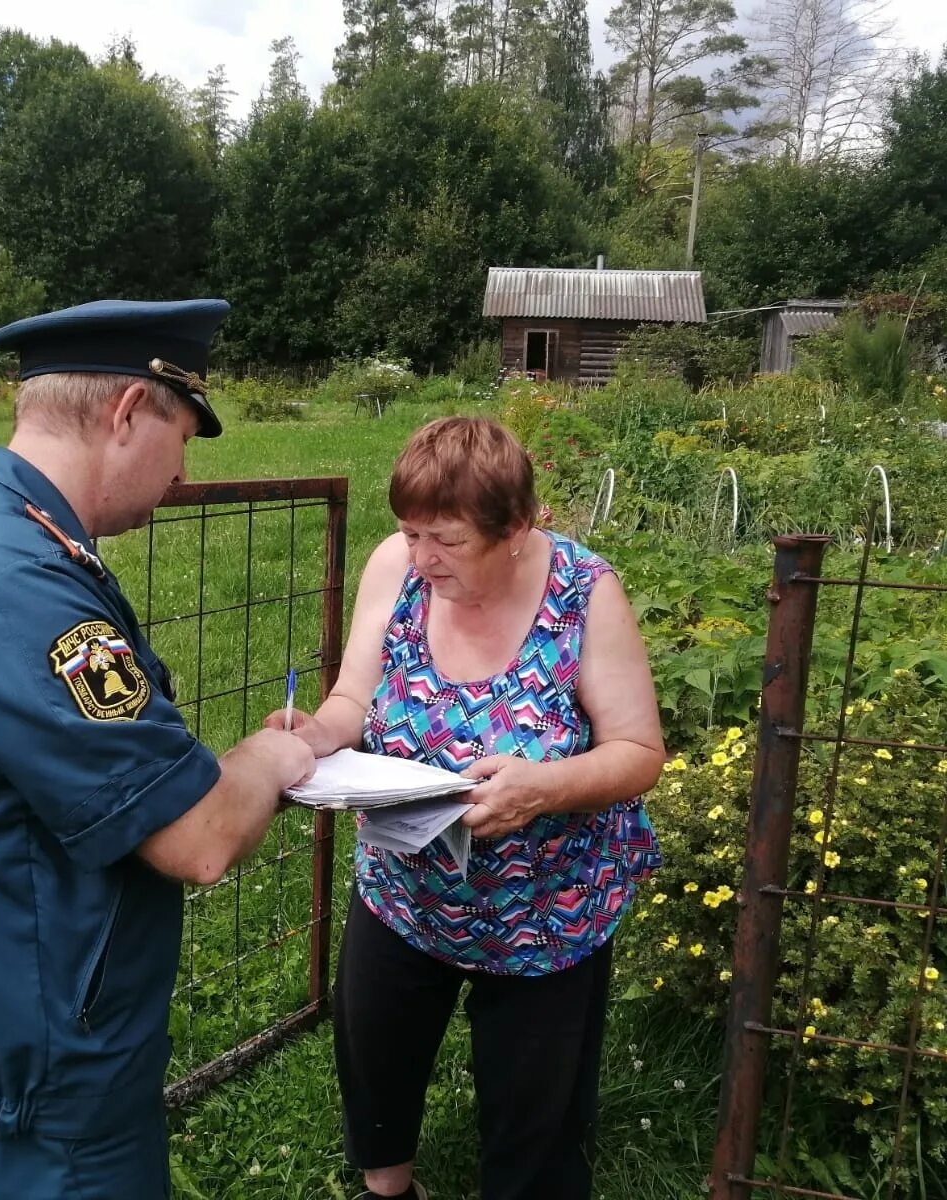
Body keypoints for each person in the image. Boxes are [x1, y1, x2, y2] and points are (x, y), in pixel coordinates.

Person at [0, 298, 315, 1199]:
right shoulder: (17, 589)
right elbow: (200, 836)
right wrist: (274, 755)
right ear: (130, 412)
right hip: (40, 1084)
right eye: (183, 434)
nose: (182, 471)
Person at [268, 416, 665, 1200]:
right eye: (410, 533)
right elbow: (355, 696)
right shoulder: (398, 565)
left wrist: (542, 787)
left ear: (516, 527)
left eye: (444, 540)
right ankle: (391, 1191)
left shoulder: (585, 595)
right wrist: (315, 733)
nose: (420, 559)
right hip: (404, 886)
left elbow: (639, 753)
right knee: (377, 1056)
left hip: (544, 907)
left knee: (535, 1115)